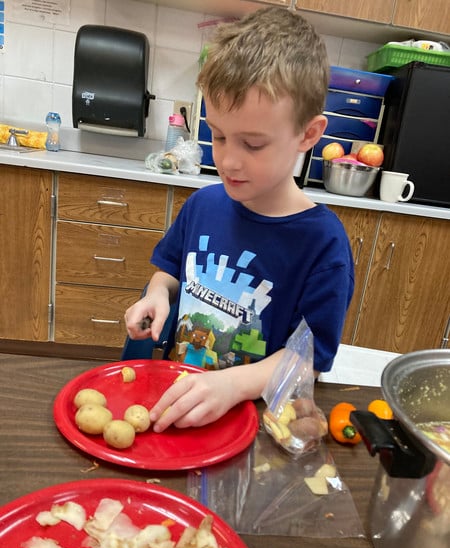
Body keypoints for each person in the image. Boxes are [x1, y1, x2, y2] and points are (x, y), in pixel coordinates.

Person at [125, 6, 354, 433]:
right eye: (219, 134)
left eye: (252, 143)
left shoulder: (322, 245)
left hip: (253, 424)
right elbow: (170, 273)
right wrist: (157, 295)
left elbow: (311, 361)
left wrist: (232, 385)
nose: (228, 159)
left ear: (308, 134)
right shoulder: (203, 205)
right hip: (179, 403)